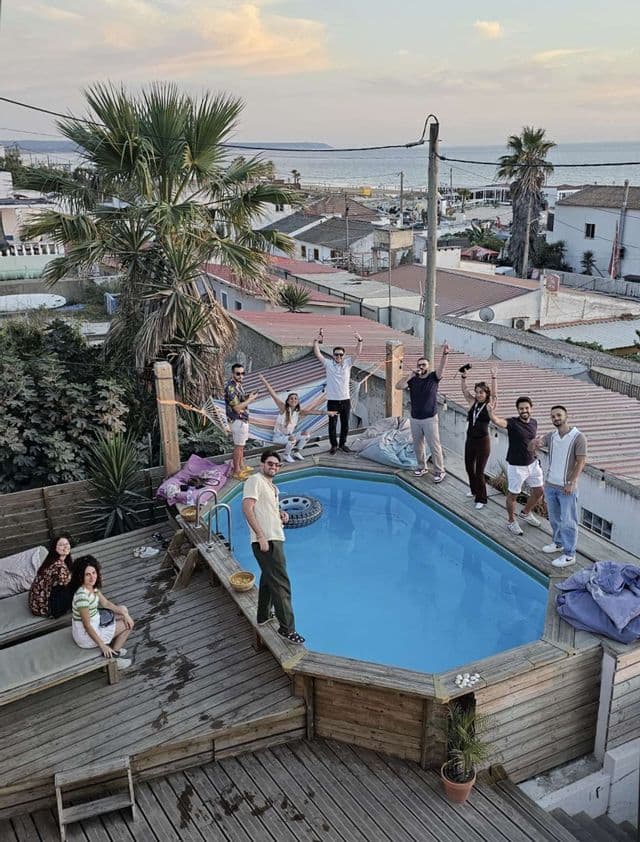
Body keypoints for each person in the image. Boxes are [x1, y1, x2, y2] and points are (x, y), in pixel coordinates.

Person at [242, 449, 304, 644]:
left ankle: (263, 615)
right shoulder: (255, 480)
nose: (274, 467)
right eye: (270, 463)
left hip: (275, 537)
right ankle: (287, 629)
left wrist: (280, 514)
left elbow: (266, 510)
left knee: (269, 578)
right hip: (267, 540)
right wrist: (260, 535)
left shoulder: (271, 486)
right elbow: (247, 507)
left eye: (277, 465)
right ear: (262, 464)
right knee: (281, 584)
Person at [537, 406, 588, 568]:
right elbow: (537, 444)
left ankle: (569, 554)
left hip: (566, 488)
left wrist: (571, 482)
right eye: (553, 416)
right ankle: (558, 543)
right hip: (551, 485)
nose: (556, 418)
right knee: (554, 519)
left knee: (568, 521)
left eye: (559, 415)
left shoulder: (578, 437)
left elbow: (581, 461)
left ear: (567, 416)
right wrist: (535, 443)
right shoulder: (551, 436)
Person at [487, 396, 544, 535]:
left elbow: (529, 443)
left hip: (533, 464)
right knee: (513, 495)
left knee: (539, 492)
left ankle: (525, 513)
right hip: (517, 466)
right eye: (521, 409)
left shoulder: (534, 423)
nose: (524, 411)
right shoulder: (512, 423)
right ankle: (511, 521)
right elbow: (497, 421)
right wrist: (490, 413)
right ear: (518, 410)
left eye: (526, 408)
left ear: (531, 408)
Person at [395, 343, 450, 482]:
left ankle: (439, 470)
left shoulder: (433, 377)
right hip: (415, 418)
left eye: (424, 365)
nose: (421, 367)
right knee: (417, 444)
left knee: (434, 445)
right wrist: (410, 375)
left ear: (428, 366)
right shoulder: (413, 379)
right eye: (419, 364)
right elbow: (398, 386)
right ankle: (421, 467)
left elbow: (442, 368)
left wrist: (445, 354)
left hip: (430, 418)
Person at [70, 555, 134, 668]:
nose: (92, 577)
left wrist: (124, 614)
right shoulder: (82, 597)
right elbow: (87, 626)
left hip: (95, 621)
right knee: (128, 624)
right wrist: (103, 646)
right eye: (87, 574)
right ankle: (113, 658)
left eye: (94, 572)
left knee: (124, 609)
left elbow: (106, 604)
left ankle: (114, 649)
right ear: (80, 576)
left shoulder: (92, 587)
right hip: (86, 636)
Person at [258, 374, 337, 462]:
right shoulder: (283, 408)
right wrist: (264, 381)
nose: (293, 400)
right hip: (278, 437)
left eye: (295, 398)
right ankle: (286, 455)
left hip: (289, 436)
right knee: (293, 439)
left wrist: (328, 412)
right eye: (291, 398)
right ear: (287, 401)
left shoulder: (298, 412)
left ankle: (296, 452)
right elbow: (273, 394)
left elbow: (314, 412)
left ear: (298, 401)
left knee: (306, 434)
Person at [313, 330, 363, 455]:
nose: (338, 357)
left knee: (345, 424)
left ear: (344, 355)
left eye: (341, 355)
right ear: (333, 355)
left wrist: (360, 340)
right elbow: (318, 354)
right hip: (333, 400)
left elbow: (357, 353)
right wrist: (316, 341)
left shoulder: (348, 363)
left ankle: (343, 444)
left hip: (345, 399)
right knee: (333, 424)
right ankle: (334, 445)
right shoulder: (328, 364)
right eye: (336, 355)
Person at [460, 367, 498, 509]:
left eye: (481, 392)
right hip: (470, 440)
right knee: (469, 467)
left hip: (483, 442)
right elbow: (464, 391)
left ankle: (482, 499)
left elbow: (495, 395)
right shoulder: (473, 403)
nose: (478, 395)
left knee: (479, 471)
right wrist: (463, 378)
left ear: (485, 393)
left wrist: (494, 378)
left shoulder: (489, 405)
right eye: (476, 392)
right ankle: (474, 490)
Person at [224, 362, 259, 480]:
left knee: (241, 446)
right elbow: (237, 408)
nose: (241, 376)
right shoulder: (231, 387)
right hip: (237, 420)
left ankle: (242, 466)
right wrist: (250, 400)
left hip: (242, 419)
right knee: (238, 447)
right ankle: (236, 470)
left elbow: (240, 400)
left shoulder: (238, 385)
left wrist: (249, 396)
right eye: (238, 374)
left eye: (243, 373)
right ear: (232, 374)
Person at [28, 533, 74, 618]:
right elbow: (69, 585)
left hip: (35, 602)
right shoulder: (59, 566)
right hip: (44, 608)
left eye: (67, 544)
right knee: (77, 591)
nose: (65, 546)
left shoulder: (50, 560)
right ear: (55, 548)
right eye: (61, 545)